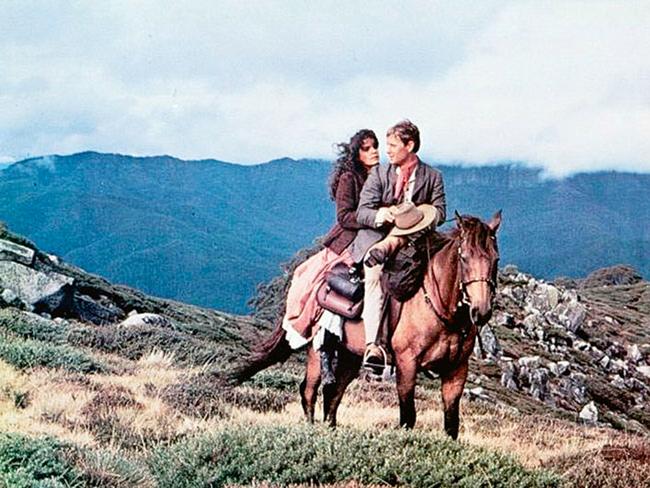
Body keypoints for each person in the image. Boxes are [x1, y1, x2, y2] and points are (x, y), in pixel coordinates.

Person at [350, 120, 447, 369]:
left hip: (417, 242)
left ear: (410, 145)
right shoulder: (380, 174)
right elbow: (362, 212)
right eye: (388, 146)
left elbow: (441, 213)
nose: (388, 151)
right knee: (374, 274)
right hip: (377, 238)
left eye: (393, 145)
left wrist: (419, 217)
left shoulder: (433, 176)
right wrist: (383, 215)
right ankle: (373, 345)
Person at [281, 129, 380, 359]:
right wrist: (374, 219)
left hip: (374, 236)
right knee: (341, 282)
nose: (374, 151)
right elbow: (344, 216)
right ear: (357, 154)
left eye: (375, 146)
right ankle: (327, 333)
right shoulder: (349, 179)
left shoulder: (378, 176)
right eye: (367, 148)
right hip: (349, 239)